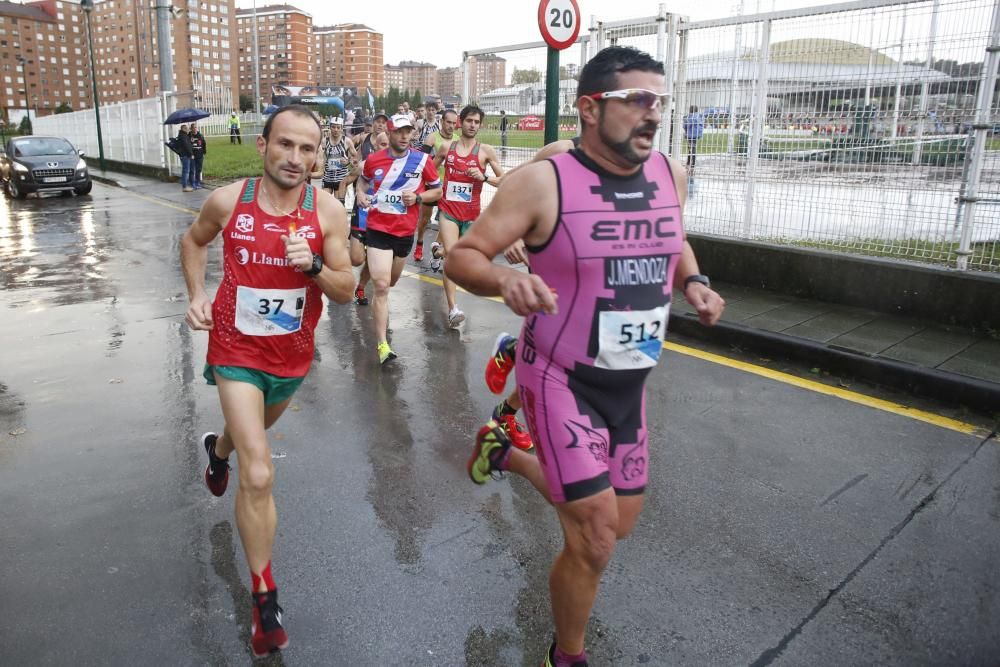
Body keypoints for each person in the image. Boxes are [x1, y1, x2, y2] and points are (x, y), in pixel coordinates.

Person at [445, 47, 725, 667]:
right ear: (591, 109)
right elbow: (462, 256)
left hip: (630, 384)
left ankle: (506, 455)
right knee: (595, 536)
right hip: (558, 376)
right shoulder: (543, 183)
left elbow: (671, 233)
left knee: (617, 523)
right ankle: (565, 656)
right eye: (638, 101)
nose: (653, 114)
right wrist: (502, 282)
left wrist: (695, 282)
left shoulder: (669, 175)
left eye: (660, 100)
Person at [179, 105, 354, 657]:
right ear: (263, 145)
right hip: (234, 348)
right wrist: (196, 295)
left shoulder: (327, 213)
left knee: (243, 439)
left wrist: (312, 270)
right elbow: (193, 241)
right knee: (259, 472)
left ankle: (219, 449)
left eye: (307, 149)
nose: (295, 158)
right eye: (285, 145)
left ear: (317, 155)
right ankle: (264, 597)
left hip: (291, 355)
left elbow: (348, 288)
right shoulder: (229, 201)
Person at [354, 114, 442, 364]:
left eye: (409, 131)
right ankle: (383, 344)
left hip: (404, 233)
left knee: (390, 282)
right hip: (378, 228)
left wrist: (419, 198)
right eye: (400, 131)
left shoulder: (423, 160)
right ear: (390, 133)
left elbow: (438, 189)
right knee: (381, 286)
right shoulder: (374, 159)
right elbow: (363, 180)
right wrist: (361, 193)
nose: (404, 136)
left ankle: (366, 278)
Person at [430, 104, 504, 327]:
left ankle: (438, 249)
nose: (473, 125)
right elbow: (430, 172)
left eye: (477, 122)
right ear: (461, 122)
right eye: (469, 121)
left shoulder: (485, 151)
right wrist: (430, 190)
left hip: (471, 216)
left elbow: (503, 180)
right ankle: (453, 309)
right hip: (448, 211)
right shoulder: (446, 147)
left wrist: (483, 177)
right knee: (453, 257)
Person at [348, 130, 390, 306]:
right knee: (356, 259)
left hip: (382, 219)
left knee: (375, 262)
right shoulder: (366, 164)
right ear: (374, 146)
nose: (386, 148)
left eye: (388, 144)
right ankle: (340, 253)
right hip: (363, 214)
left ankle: (361, 287)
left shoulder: (399, 166)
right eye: (382, 144)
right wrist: (345, 200)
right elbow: (347, 180)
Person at [413, 108, 457, 262]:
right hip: (432, 185)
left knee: (447, 219)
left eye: (454, 123)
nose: (451, 126)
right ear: (442, 122)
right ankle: (419, 243)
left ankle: (437, 246)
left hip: (449, 186)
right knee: (425, 218)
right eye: (448, 122)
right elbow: (423, 162)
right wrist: (438, 159)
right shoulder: (432, 138)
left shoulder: (458, 140)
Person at [320, 117, 357, 203]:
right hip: (327, 178)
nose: (335, 130)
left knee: (338, 205)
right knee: (325, 204)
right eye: (333, 127)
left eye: (338, 127)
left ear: (342, 128)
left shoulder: (347, 141)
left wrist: (348, 163)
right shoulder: (324, 141)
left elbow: (356, 161)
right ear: (330, 127)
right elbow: (320, 159)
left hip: (341, 180)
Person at [683, 105, 704, 170]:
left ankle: (689, 162)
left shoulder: (688, 117)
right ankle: (692, 163)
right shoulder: (700, 117)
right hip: (696, 135)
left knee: (690, 148)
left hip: (690, 134)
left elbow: (684, 126)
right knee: (693, 147)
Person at [177, 124, 195, 192]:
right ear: (183, 129)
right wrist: (191, 154)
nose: (188, 129)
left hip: (184, 155)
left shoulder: (183, 135)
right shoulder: (183, 136)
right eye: (187, 128)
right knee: (186, 171)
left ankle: (185, 186)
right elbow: (186, 146)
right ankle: (185, 187)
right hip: (185, 155)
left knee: (186, 170)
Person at [190, 122, 207, 189]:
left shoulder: (200, 135)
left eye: (195, 127)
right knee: (192, 170)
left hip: (200, 155)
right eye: (193, 128)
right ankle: (192, 183)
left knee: (198, 169)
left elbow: (204, 144)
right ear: (191, 129)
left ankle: (198, 182)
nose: (195, 129)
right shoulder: (189, 136)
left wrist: (204, 152)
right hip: (192, 155)